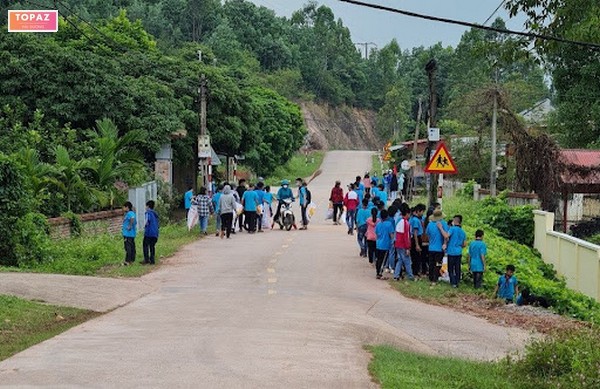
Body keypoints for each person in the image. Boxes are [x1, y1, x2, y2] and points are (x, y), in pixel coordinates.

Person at [425, 209, 449, 284]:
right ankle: (435, 278)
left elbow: (427, 235)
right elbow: (446, 236)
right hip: (439, 248)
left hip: (431, 248)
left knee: (431, 263)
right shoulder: (444, 224)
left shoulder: (430, 224)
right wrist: (444, 244)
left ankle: (431, 277)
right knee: (438, 264)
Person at [394, 206, 414, 281]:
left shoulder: (399, 221)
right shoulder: (406, 223)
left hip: (398, 244)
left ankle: (396, 275)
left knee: (400, 260)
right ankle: (410, 276)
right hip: (403, 245)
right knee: (407, 260)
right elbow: (406, 236)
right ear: (407, 214)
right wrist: (408, 247)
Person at [447, 215, 467, 288]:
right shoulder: (463, 232)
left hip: (451, 251)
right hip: (458, 252)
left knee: (450, 268)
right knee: (457, 268)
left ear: (455, 221)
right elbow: (464, 244)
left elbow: (447, 236)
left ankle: (453, 282)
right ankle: (457, 281)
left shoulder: (452, 229)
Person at [375, 209, 394, 279]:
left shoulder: (378, 224)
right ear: (387, 216)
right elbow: (391, 235)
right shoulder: (389, 224)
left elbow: (376, 234)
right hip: (385, 245)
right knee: (383, 260)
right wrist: (393, 242)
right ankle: (379, 273)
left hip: (378, 244)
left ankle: (377, 271)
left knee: (378, 259)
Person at [410, 204, 426, 277]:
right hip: (416, 238)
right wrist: (417, 244)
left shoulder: (414, 219)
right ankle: (415, 272)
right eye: (422, 211)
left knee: (416, 257)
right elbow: (415, 232)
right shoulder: (416, 220)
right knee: (416, 257)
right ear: (418, 211)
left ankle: (415, 271)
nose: (423, 213)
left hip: (416, 238)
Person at [142, 200, 159, 265]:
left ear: (148, 206)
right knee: (152, 246)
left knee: (145, 245)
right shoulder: (155, 214)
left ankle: (146, 260)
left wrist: (144, 226)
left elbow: (147, 220)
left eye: (146, 206)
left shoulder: (148, 213)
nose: (145, 207)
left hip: (149, 233)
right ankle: (152, 260)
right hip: (155, 233)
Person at [122, 201, 137, 266]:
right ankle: (131, 260)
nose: (123, 209)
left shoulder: (130, 213)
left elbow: (132, 218)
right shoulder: (131, 213)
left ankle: (128, 261)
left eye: (124, 207)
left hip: (128, 234)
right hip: (131, 234)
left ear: (127, 207)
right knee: (131, 247)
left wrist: (130, 226)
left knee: (128, 247)